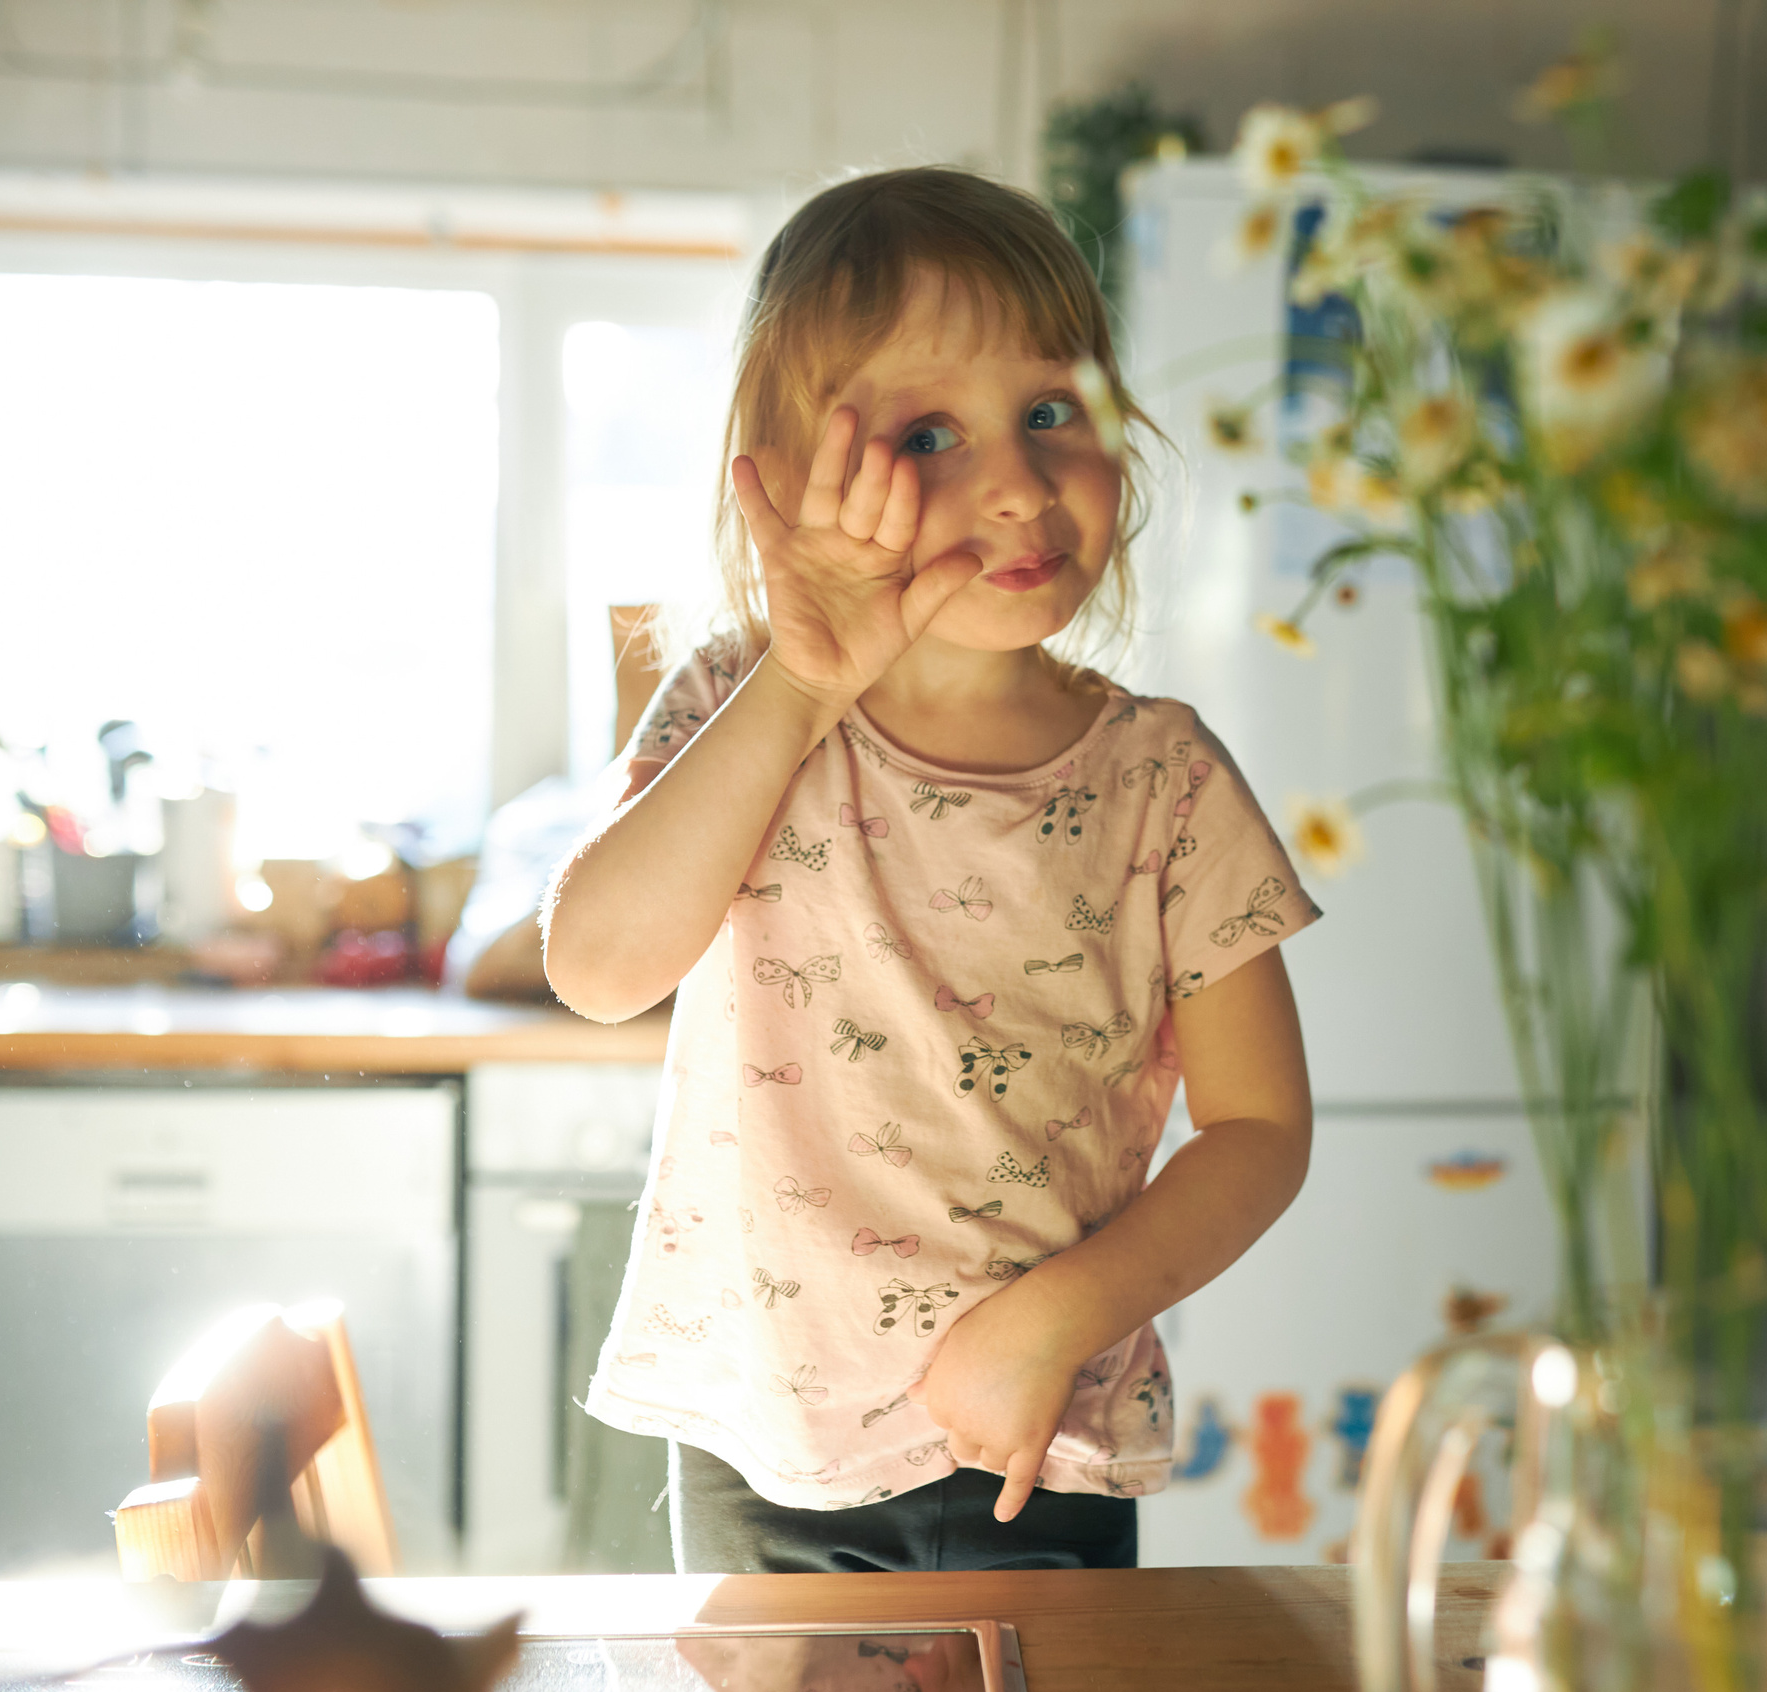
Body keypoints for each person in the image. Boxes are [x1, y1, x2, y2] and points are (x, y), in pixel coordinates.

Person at [541, 166, 1319, 1575]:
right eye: (930, 435)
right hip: (764, 1439)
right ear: (793, 478)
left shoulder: (1165, 777)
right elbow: (598, 971)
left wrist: (1056, 1320)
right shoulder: (737, 703)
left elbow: (1261, 1129)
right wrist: (801, 683)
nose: (1018, 484)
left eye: (1052, 411)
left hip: (1037, 1437)